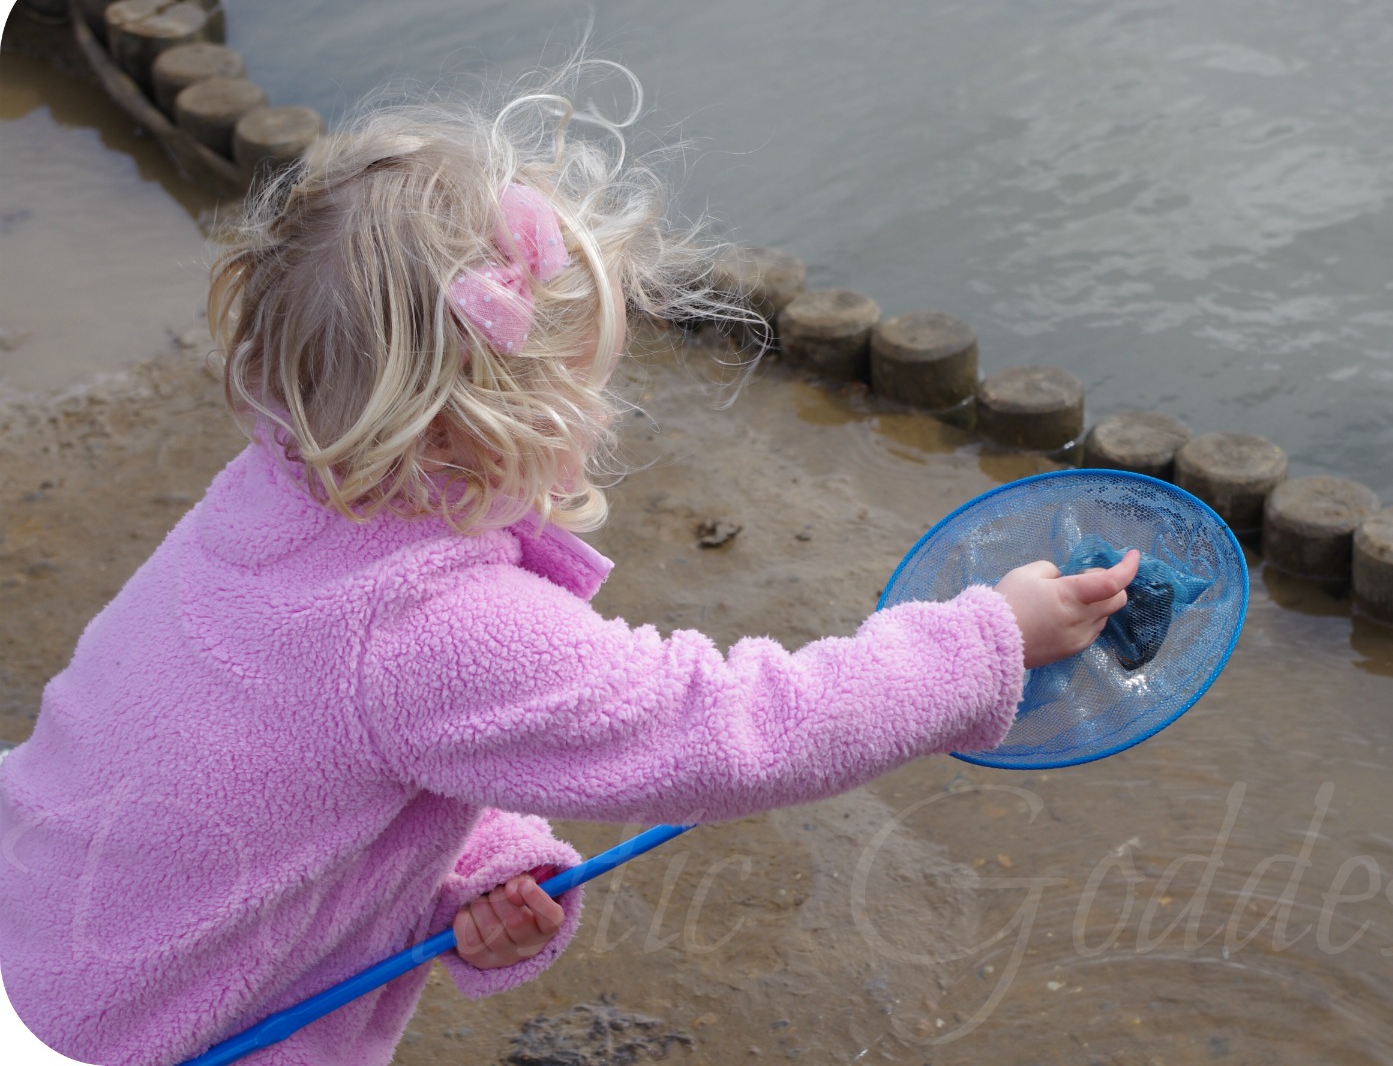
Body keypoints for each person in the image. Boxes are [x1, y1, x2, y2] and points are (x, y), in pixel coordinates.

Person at [0, 68, 1138, 1066]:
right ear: (489, 425)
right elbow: (730, 728)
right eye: (589, 381)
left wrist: (476, 863)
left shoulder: (274, 493)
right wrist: (983, 638)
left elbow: (313, 748)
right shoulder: (424, 621)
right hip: (145, 1033)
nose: (605, 406)